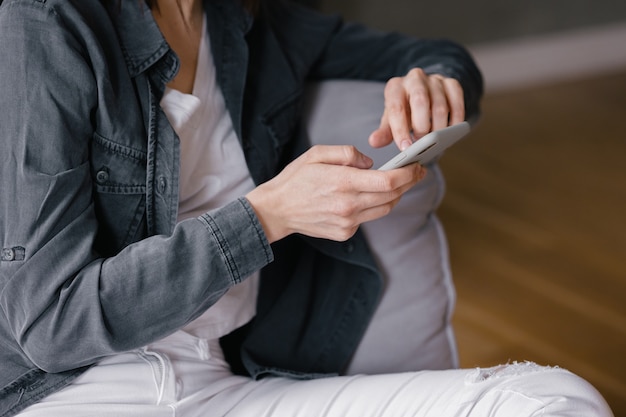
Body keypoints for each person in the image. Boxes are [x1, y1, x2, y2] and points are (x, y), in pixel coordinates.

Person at [0, 0, 613, 415]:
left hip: (221, 387)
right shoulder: (44, 26)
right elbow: (50, 325)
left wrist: (433, 82)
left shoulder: (249, 25)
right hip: (73, 392)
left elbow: (436, 55)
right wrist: (268, 215)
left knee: (552, 398)